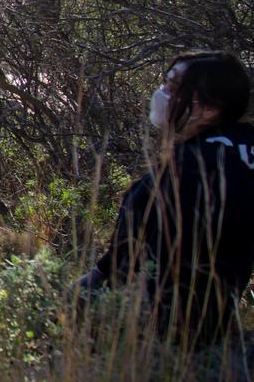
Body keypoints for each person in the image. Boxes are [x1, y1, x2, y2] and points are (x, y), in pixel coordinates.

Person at [76, 51, 254, 352]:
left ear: (209, 109)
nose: (162, 94)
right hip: (220, 326)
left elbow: (120, 269)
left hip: (163, 336)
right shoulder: (243, 148)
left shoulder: (184, 170)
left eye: (173, 88)